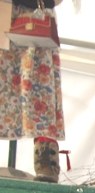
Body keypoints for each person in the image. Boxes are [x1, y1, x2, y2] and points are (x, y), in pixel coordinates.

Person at [1, 0, 66, 182]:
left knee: (39, 90)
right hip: (4, 16)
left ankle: (45, 156)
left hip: (34, 21)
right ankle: (45, 157)